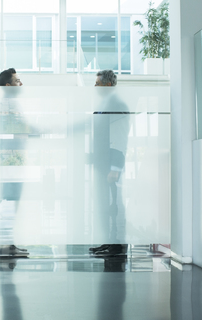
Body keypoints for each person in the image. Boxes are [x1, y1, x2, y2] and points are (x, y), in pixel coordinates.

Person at [89, 70, 129, 256]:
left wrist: (115, 167)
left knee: (115, 203)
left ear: (107, 85)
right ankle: (108, 241)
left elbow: (120, 136)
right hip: (102, 161)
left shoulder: (118, 104)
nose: (95, 87)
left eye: (97, 83)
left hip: (112, 161)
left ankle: (117, 244)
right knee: (104, 203)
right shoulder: (103, 105)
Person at [0, 68, 28, 257]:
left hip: (12, 158)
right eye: (17, 81)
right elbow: (19, 129)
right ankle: (5, 246)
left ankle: (7, 244)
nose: (21, 84)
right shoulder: (8, 104)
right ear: (8, 86)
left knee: (11, 201)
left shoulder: (8, 103)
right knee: (11, 200)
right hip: (11, 159)